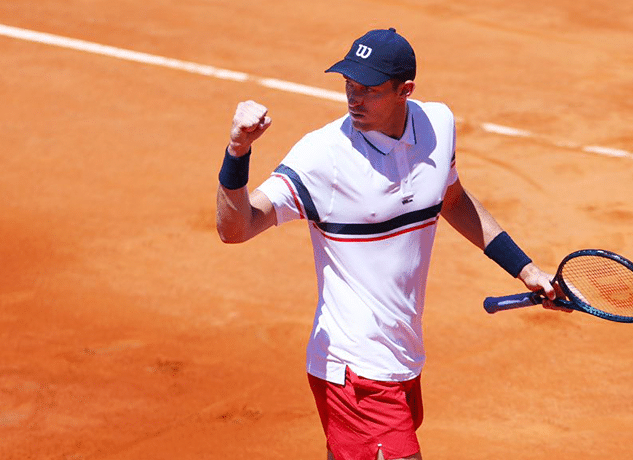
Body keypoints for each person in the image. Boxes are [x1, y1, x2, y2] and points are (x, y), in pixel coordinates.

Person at [216, 27, 562, 460]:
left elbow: (450, 198)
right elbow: (237, 228)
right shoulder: (323, 156)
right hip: (354, 370)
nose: (353, 98)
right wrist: (237, 152)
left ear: (406, 90)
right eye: (348, 85)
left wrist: (526, 269)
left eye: (369, 89)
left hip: (404, 358)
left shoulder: (437, 124)